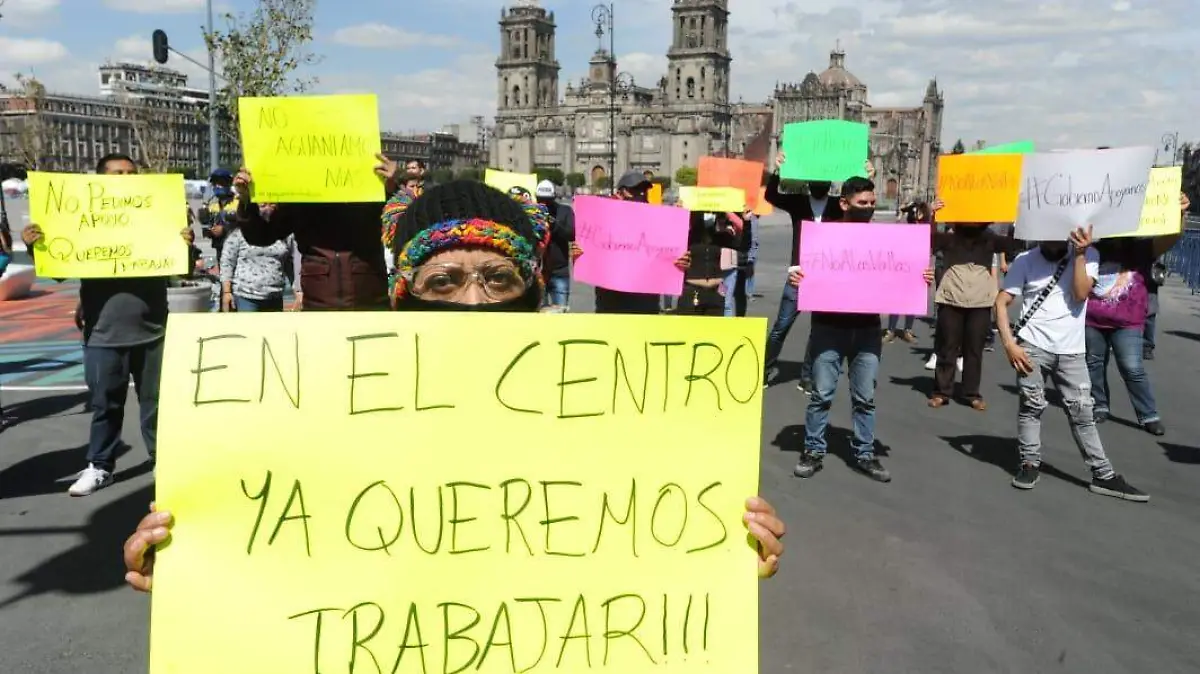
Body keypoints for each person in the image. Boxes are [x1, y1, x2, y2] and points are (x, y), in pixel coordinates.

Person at [123, 180, 788, 589]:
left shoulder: (608, 415)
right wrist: (198, 571)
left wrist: (717, 556)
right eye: (445, 281)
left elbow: (644, 537)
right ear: (405, 296)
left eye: (499, 280)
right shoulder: (322, 414)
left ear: (531, 293)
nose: (474, 303)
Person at [22, 153, 191, 496]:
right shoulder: (82, 217)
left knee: (156, 403)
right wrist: (34, 247)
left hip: (153, 330)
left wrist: (184, 244)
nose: (126, 178)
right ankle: (100, 466)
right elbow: (58, 270)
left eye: (132, 173)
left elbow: (181, 271)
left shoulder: (156, 216)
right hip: (103, 333)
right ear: (99, 179)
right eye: (118, 174)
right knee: (105, 405)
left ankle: (163, 459)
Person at [792, 176, 934, 484]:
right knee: (821, 395)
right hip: (829, 328)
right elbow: (801, 269)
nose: (869, 209)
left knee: (865, 398)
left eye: (872, 203)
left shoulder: (885, 242)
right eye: (862, 204)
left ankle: (864, 453)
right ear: (844, 203)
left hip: (867, 330)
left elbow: (901, 275)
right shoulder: (823, 236)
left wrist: (920, 277)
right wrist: (797, 277)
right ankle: (813, 450)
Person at [995, 226, 1148, 501]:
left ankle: (1103, 474)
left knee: (1082, 413)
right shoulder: (1025, 260)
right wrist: (1009, 344)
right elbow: (1001, 302)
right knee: (1031, 406)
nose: (1051, 240)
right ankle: (1029, 463)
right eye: (1046, 234)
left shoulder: (1089, 255)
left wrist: (1078, 254)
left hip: (1071, 351)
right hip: (1032, 346)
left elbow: (1080, 294)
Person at [233, 152, 399, 311]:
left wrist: (393, 188)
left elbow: (405, 223)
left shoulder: (371, 188)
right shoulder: (301, 198)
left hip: (370, 304)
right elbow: (262, 236)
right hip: (319, 307)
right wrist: (247, 202)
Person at [1085, 232, 1179, 435]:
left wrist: (1180, 215)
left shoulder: (1142, 248)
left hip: (1128, 322)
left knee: (1132, 367)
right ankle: (1099, 405)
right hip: (1093, 319)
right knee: (1094, 363)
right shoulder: (1092, 248)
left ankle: (1148, 414)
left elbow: (1171, 237)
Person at [928, 222, 1022, 411]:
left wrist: (1018, 219)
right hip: (951, 297)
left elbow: (1014, 244)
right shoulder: (950, 238)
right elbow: (927, 238)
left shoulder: (990, 239)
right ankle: (941, 392)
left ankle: (971, 392)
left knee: (974, 349)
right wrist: (934, 216)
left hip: (980, 300)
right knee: (947, 347)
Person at [573, 170, 690, 314]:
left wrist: (682, 261)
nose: (642, 193)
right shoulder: (603, 218)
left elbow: (674, 256)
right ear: (622, 192)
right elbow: (589, 257)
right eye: (636, 189)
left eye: (645, 190)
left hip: (646, 305)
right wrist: (579, 255)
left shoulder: (660, 222)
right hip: (610, 305)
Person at [219, 227, 300, 313]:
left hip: (275, 296)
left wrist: (298, 292)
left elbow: (291, 264)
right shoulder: (239, 234)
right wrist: (226, 292)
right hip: (246, 296)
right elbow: (227, 263)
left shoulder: (285, 235)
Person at [678, 211, 741, 315]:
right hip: (692, 291)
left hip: (716, 293)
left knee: (714, 330)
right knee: (689, 330)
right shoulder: (688, 236)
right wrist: (681, 211)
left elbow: (743, 237)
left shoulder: (723, 236)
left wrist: (728, 212)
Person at [535, 179, 574, 309]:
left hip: (559, 271)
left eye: (548, 200)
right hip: (538, 272)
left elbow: (571, 234)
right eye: (540, 200)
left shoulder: (565, 211)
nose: (544, 204)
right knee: (538, 313)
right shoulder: (532, 213)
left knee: (561, 313)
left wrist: (554, 224)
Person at [199, 169, 238, 264]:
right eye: (216, 183)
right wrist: (210, 231)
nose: (218, 186)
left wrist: (225, 229)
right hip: (220, 247)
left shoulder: (238, 203)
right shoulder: (212, 206)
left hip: (237, 249)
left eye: (222, 183)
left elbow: (244, 224)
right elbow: (208, 227)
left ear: (228, 184)